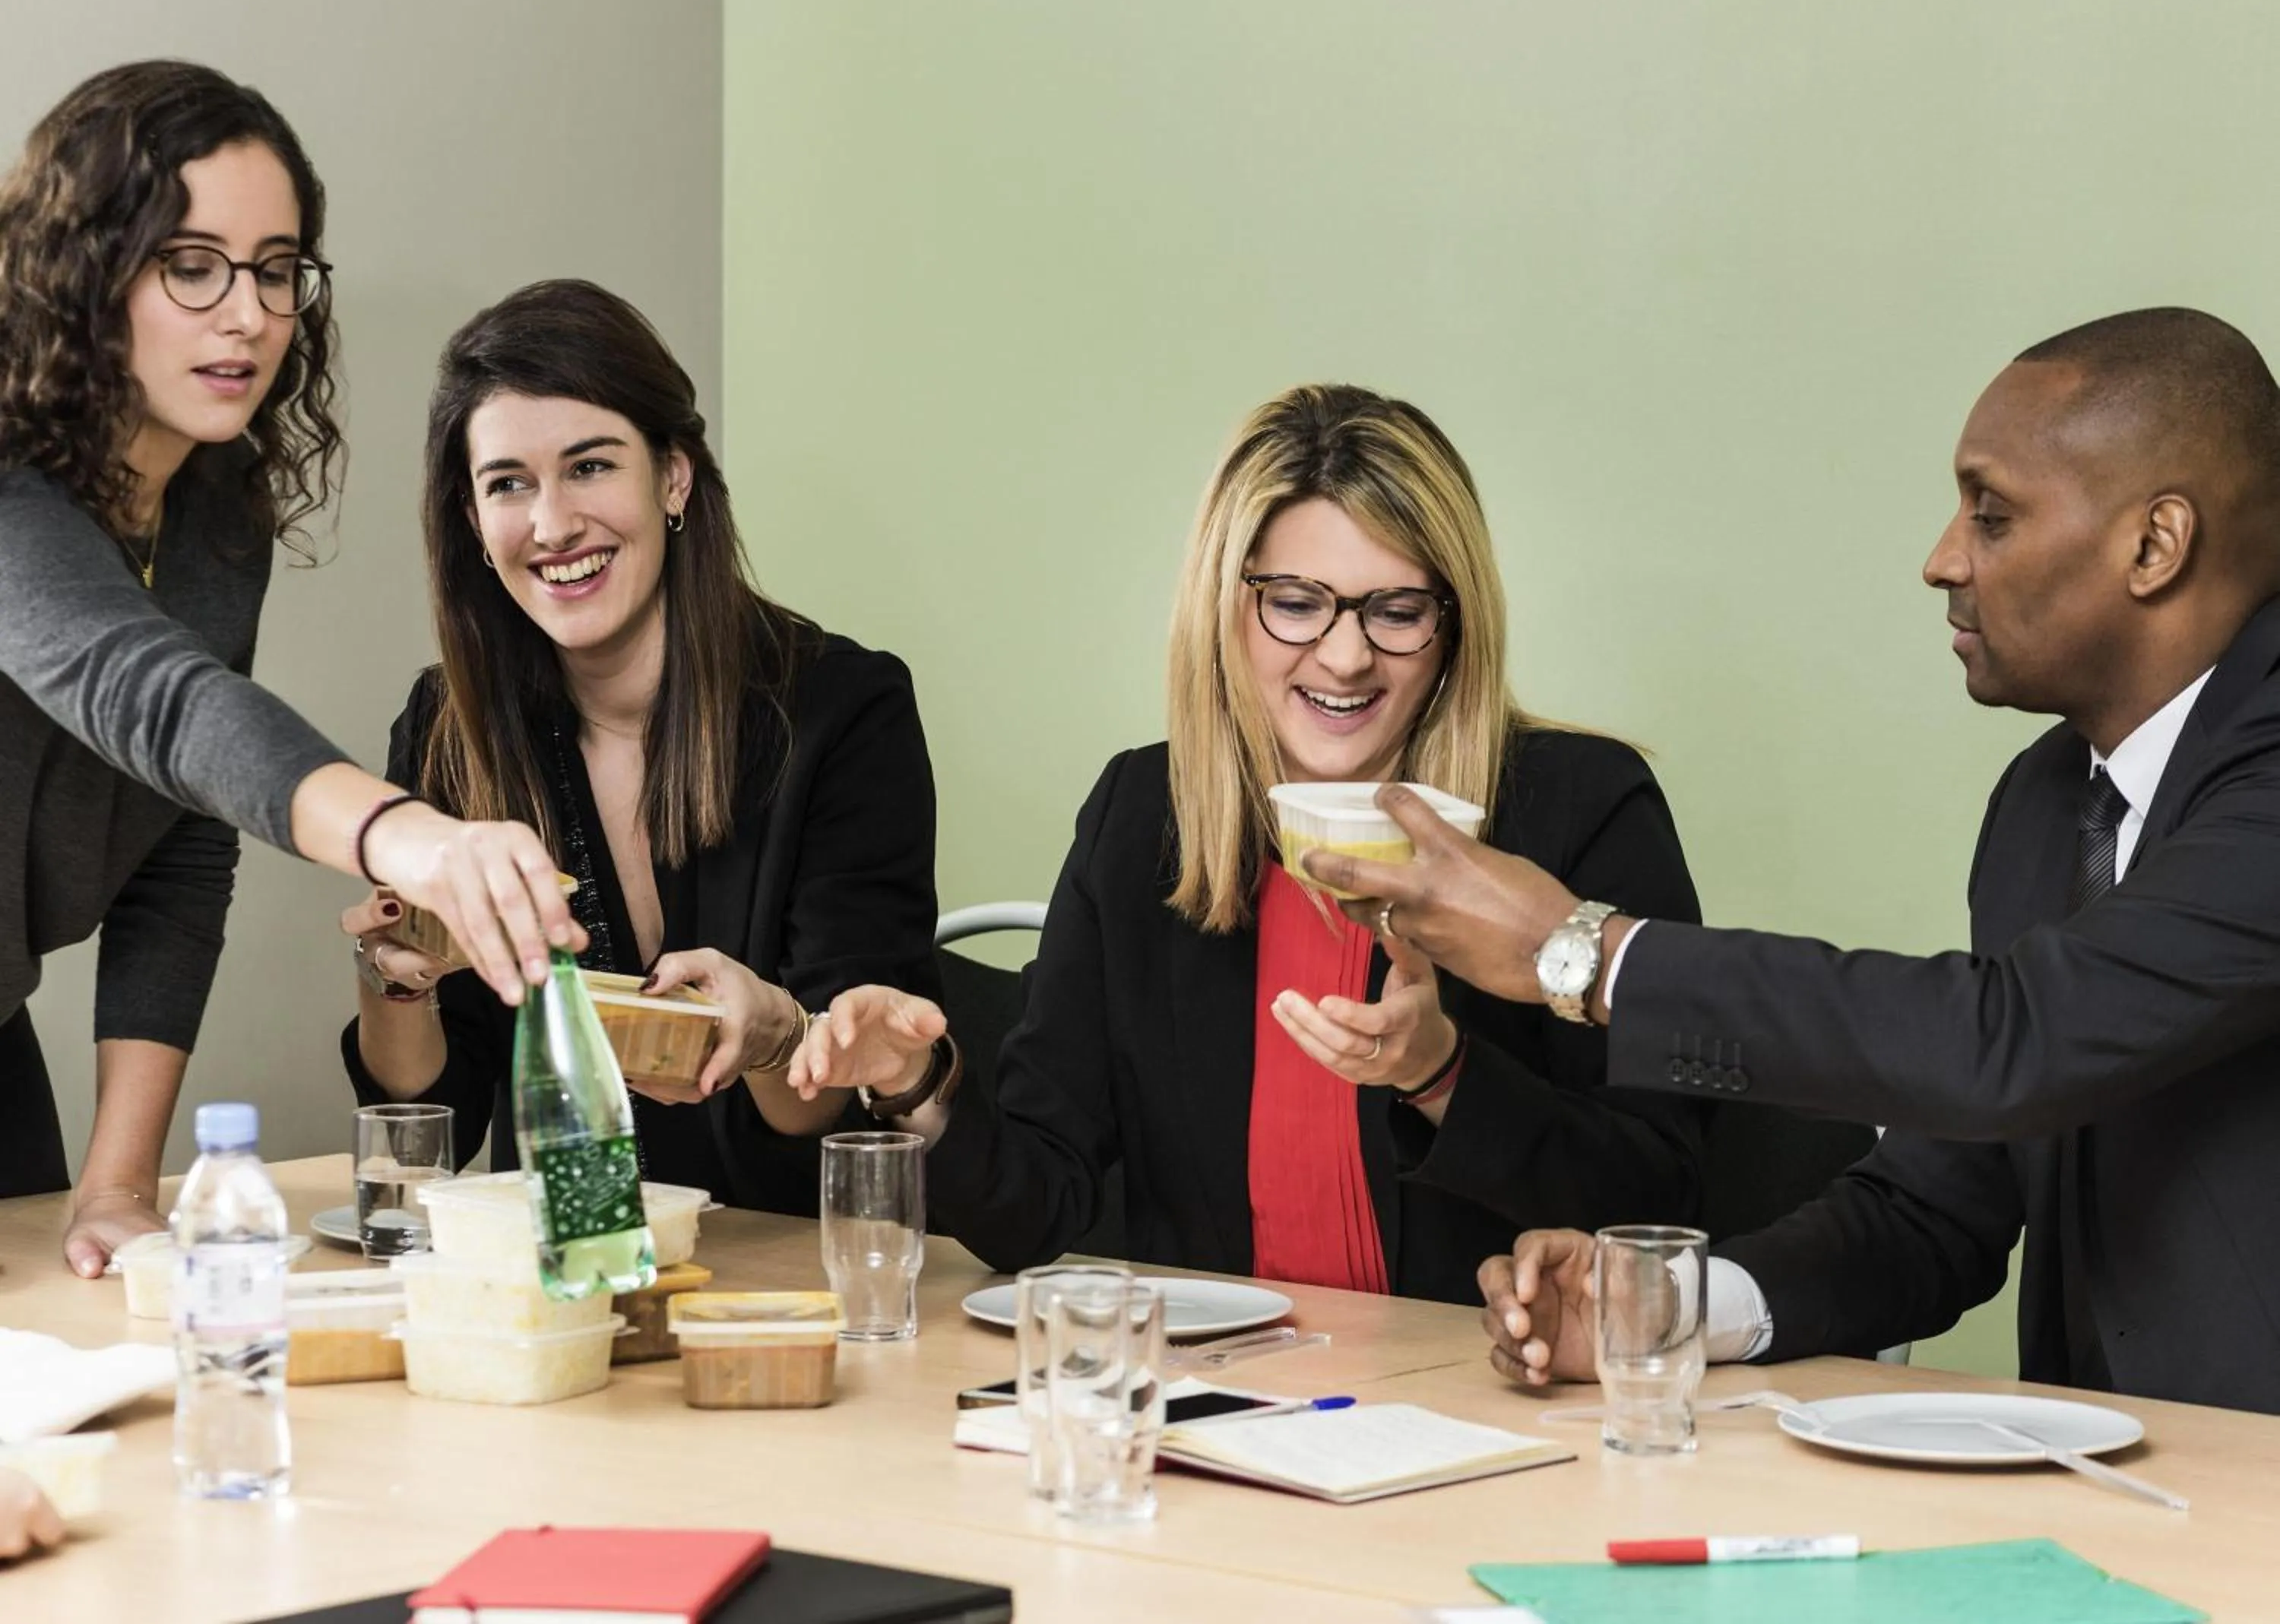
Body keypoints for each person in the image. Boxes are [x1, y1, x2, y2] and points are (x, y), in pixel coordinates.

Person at [1312, 309, 2280, 1413]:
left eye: (1993, 514)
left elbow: (2016, 1039)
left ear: (2154, 545)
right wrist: (1667, 1305)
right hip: (2130, 1491)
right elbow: (1938, 1204)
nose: (1943, 558)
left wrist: (1581, 952)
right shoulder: (2046, 801)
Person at [787, 385, 1705, 1302]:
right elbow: (1033, 1208)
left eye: (1395, 610)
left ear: (1453, 624)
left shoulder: (1582, 808)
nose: (1346, 657)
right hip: (1218, 1404)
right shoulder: (1144, 814)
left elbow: (1666, 1200)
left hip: (1494, 1403)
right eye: (1298, 602)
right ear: (1227, 608)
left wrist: (1441, 1074)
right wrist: (916, 1084)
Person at [0, 62, 577, 1274]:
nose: (251, 314)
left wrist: (116, 1183)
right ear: (82, 273)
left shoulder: (215, 518)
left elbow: (183, 838)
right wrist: (416, 836)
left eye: (276, 268)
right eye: (192, 263)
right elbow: (153, 699)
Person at [340, 280, 939, 1211]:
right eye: (508, 485)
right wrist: (397, 978)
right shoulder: (446, 725)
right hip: (552, 1262)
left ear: (674, 477)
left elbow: (841, 1100)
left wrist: (778, 1036)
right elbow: (432, 1115)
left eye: (589, 467)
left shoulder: (842, 710)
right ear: (471, 520)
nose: (552, 526)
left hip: (784, 1268)